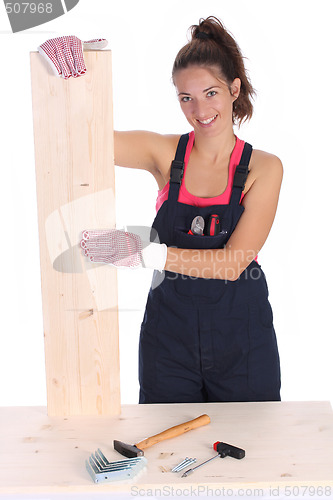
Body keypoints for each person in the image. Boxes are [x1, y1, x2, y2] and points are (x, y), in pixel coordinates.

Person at [39, 16, 283, 404]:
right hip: (169, 342)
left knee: (249, 453)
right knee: (165, 459)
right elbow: (87, 138)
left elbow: (233, 263)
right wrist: (73, 80)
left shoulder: (263, 168)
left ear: (234, 89)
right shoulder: (165, 154)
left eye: (210, 93)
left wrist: (145, 253)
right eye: (186, 98)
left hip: (243, 342)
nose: (199, 109)